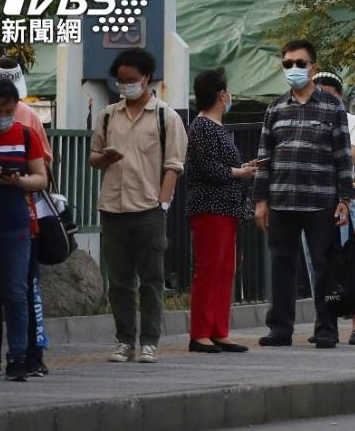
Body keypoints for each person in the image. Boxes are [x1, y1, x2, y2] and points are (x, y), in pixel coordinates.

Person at [253, 40, 354, 349]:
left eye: (299, 63)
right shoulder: (275, 108)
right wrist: (260, 202)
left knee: (325, 267)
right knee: (281, 264)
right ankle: (280, 329)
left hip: (321, 200)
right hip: (281, 199)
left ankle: (326, 328)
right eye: (287, 64)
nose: (293, 69)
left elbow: (343, 155)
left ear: (313, 66)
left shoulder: (333, 106)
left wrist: (345, 199)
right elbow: (263, 158)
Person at [89, 48, 187, 364]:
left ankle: (149, 341)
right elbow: (93, 156)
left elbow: (174, 164)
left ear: (146, 78)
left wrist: (163, 203)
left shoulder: (165, 116)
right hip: (113, 207)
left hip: (149, 210)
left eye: (131, 80)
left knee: (151, 280)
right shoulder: (107, 115)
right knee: (118, 282)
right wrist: (104, 159)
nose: (125, 86)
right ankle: (123, 341)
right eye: (120, 80)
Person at [0, 58, 54, 376]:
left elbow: (40, 178)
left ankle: (18, 358)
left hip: (15, 225)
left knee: (16, 294)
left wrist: (17, 181)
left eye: (9, 111)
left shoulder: (25, 134)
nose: (4, 117)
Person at [185, 68, 252, 354]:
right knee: (210, 268)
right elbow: (208, 168)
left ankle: (218, 330)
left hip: (225, 207)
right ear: (221, 94)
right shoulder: (201, 126)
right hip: (209, 206)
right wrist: (240, 172)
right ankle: (200, 332)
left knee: (225, 269)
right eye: (227, 91)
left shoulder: (215, 126)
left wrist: (242, 170)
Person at [312, 70, 355, 345]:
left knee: (347, 261)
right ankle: (324, 322)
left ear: (339, 95)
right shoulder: (307, 119)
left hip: (343, 199)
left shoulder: (353, 121)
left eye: (327, 92)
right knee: (319, 265)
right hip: (312, 201)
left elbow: (353, 154)